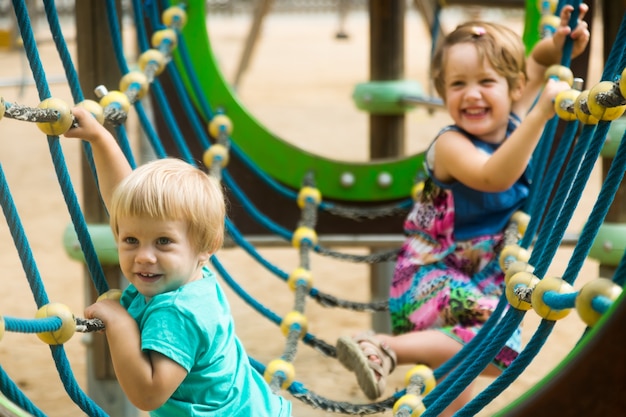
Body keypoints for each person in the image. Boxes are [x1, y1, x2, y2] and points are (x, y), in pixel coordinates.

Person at [335, 4, 590, 415]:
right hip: (429, 278)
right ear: (442, 93)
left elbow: (538, 63)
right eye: (457, 84)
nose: (471, 93)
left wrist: (557, 44)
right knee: (500, 342)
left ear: (514, 88)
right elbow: (494, 177)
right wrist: (541, 112)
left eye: (486, 81)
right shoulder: (451, 145)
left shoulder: (512, 120)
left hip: (477, 280)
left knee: (463, 377)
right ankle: (383, 346)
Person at [64, 107, 293, 417]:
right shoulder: (189, 274)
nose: (144, 256)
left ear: (206, 247)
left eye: (163, 242)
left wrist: (119, 323)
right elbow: (122, 202)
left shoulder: (177, 311)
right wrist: (100, 139)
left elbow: (148, 393)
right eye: (131, 240)